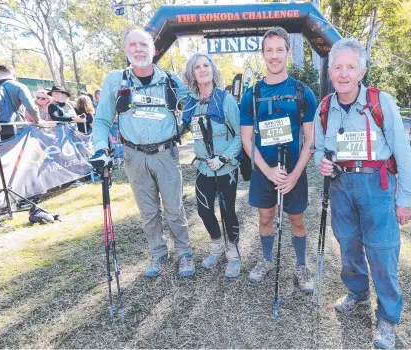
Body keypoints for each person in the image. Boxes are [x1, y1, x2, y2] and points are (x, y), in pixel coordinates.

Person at [315, 38, 411, 349]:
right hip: (341, 187)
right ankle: (357, 293)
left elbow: (402, 151)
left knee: (382, 252)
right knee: (348, 246)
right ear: (330, 71)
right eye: (338, 67)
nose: (343, 74)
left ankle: (387, 316)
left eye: (351, 67)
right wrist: (323, 162)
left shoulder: (380, 102)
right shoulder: (324, 108)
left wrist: (405, 199)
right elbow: (321, 148)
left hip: (378, 186)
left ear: (361, 71)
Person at [91, 29, 194, 278]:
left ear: (154, 49)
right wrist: (99, 149)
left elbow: (192, 104)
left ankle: (184, 253)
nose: (138, 49)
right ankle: (158, 254)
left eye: (144, 44)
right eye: (133, 45)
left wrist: (179, 130)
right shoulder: (115, 80)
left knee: (174, 208)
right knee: (148, 212)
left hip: (165, 154)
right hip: (134, 156)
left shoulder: (170, 79)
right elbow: (102, 120)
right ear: (126, 50)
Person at [240, 27, 317, 292]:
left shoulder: (302, 92)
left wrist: (294, 175)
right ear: (263, 54)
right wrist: (268, 171)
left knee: (297, 219)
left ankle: (300, 265)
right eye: (269, 50)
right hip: (264, 170)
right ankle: (266, 259)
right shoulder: (252, 95)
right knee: (265, 217)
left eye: (279, 50)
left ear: (288, 52)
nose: (274, 56)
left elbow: (310, 140)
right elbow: (247, 140)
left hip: (294, 170)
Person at [180, 53, 242, 277]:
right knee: (204, 211)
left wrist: (225, 158)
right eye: (197, 67)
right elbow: (181, 129)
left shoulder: (225, 100)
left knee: (228, 212)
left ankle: (233, 253)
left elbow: (240, 136)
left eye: (206, 65)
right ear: (192, 73)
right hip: (204, 168)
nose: (202, 69)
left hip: (225, 168)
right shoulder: (190, 103)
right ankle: (217, 247)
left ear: (213, 70)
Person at [0, 64, 47, 140]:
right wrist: (38, 121)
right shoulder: (18, 86)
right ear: (14, 75)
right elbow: (31, 107)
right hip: (13, 129)